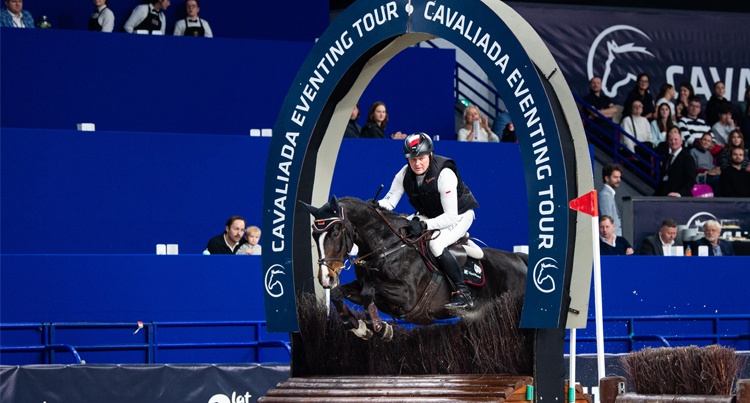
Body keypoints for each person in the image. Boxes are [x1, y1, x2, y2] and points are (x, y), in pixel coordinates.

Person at [376, 132, 479, 309]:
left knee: (436, 245)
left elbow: (450, 216)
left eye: (422, 158)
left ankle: (463, 292)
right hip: (431, 216)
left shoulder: (444, 174)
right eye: (412, 159)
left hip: (460, 215)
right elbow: (390, 202)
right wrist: (374, 205)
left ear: (430, 154)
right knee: (401, 231)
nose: (417, 163)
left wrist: (424, 225)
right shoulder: (403, 174)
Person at [654, 128, 696, 197]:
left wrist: (680, 194)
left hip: (681, 199)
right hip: (666, 197)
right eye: (671, 140)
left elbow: (690, 180)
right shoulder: (667, 158)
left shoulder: (688, 158)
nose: (673, 142)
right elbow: (663, 179)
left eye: (676, 139)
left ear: (681, 142)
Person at [598, 163, 623, 237]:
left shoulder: (608, 194)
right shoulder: (605, 195)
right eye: (615, 177)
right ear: (607, 178)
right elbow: (606, 223)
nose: (619, 180)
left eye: (619, 177)